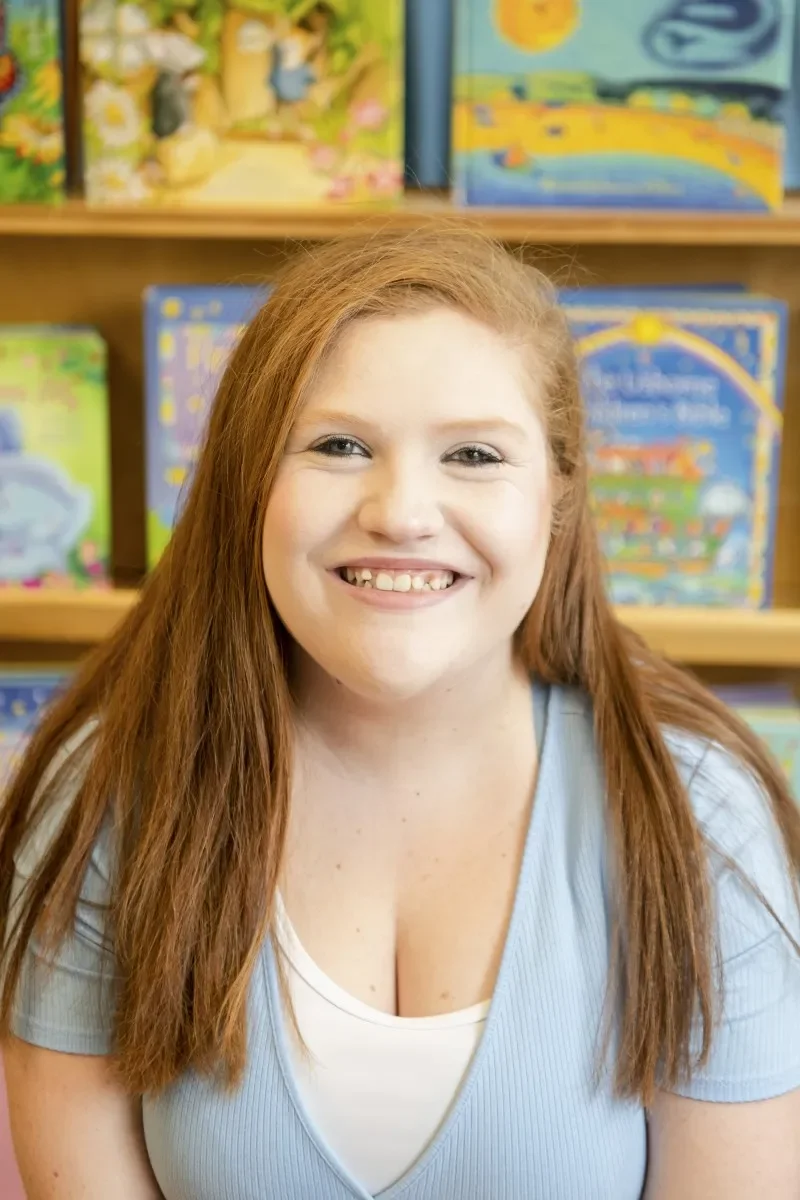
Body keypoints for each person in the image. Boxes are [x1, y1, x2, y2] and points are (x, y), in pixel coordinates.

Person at [1, 229, 799, 1200]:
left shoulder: (696, 819)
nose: (402, 511)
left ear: (555, 494)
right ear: (249, 482)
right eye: (339, 445)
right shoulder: (108, 796)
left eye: (472, 454)